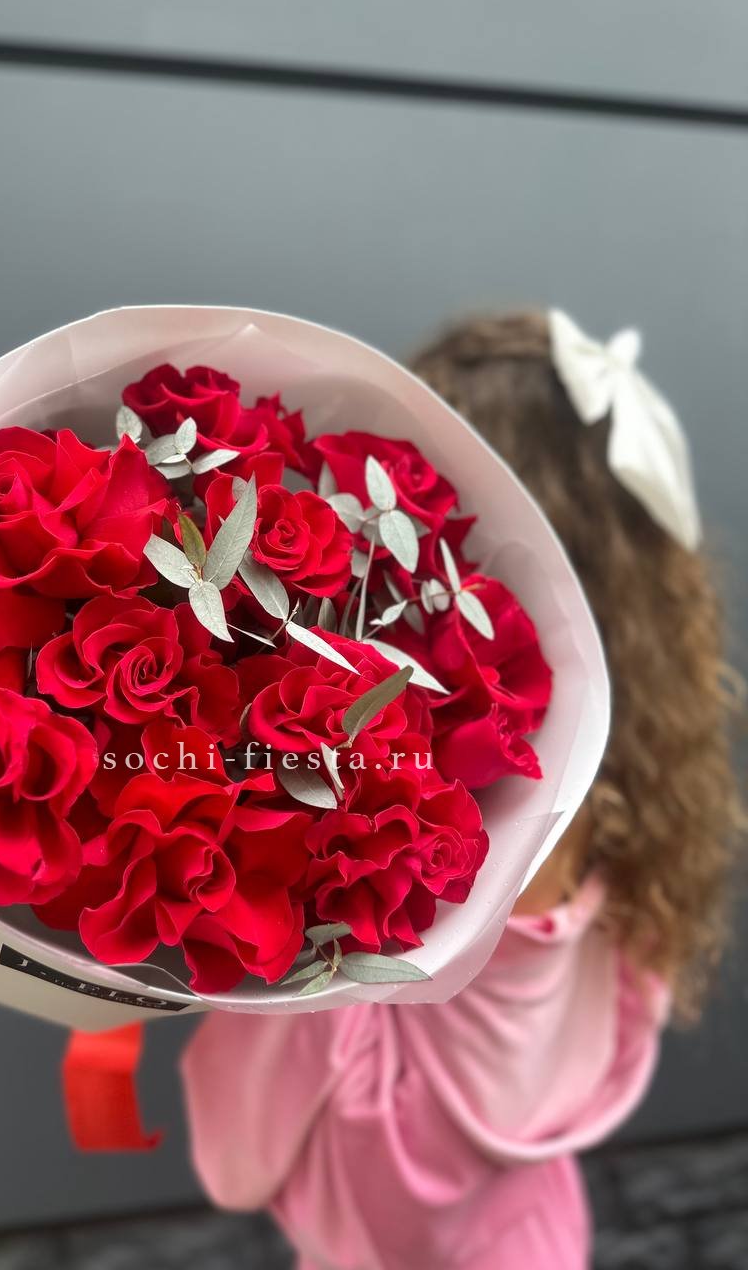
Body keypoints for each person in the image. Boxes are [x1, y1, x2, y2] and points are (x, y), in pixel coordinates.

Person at [180, 310, 744, 1269]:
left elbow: (391, 1112)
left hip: (417, 1222)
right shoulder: (622, 759)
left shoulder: (497, 782)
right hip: (515, 1217)